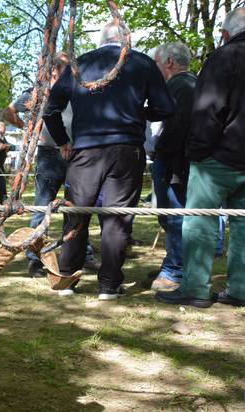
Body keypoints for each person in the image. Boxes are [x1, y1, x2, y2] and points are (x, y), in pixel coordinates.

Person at [43, 22, 175, 300]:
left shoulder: (80, 64)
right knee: (117, 219)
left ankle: (67, 278)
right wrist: (140, 113)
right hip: (126, 151)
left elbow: (50, 109)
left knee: (76, 214)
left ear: (101, 39)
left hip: (85, 151)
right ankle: (109, 285)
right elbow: (166, 107)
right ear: (127, 38)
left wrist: (63, 141)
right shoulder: (142, 63)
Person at [156, 8, 245, 308]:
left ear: (225, 33)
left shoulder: (223, 57)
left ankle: (195, 288)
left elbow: (209, 109)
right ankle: (240, 289)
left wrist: (197, 151)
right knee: (243, 225)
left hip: (217, 158)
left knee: (199, 222)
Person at [2, 52, 101, 279]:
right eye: (66, 66)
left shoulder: (77, 88)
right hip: (49, 155)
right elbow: (7, 112)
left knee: (77, 207)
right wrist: (28, 129)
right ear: (55, 69)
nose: (72, 70)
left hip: (76, 155)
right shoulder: (37, 93)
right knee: (41, 207)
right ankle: (34, 259)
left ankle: (83, 254)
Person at [148, 42, 197, 292]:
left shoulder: (183, 86)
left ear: (168, 62)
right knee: (170, 215)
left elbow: (176, 128)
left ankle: (175, 271)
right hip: (174, 161)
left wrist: (161, 152)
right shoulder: (186, 84)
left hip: (175, 163)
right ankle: (174, 263)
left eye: (156, 63)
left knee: (176, 215)